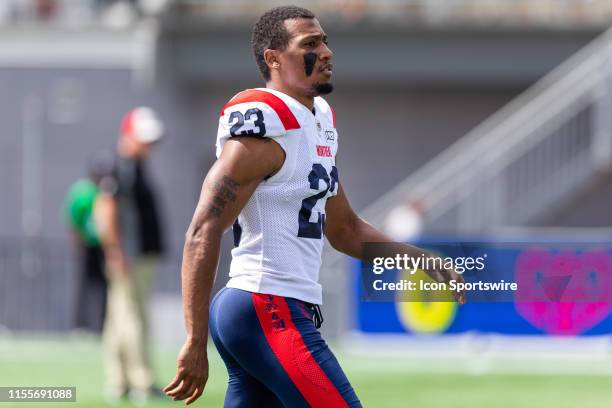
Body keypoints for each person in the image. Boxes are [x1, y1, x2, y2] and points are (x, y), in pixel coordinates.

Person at [164, 6, 465, 407]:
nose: (326, 52)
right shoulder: (264, 124)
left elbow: (345, 230)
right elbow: (202, 230)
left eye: (324, 41)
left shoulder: (317, 119)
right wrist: (194, 338)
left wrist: (421, 261)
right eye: (310, 44)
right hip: (265, 302)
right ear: (273, 58)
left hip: (272, 308)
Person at [94, 106, 165, 404]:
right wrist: (114, 250)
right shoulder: (120, 165)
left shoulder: (134, 164)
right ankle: (140, 380)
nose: (149, 145)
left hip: (134, 254)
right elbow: (105, 209)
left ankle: (120, 380)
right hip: (129, 254)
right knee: (133, 318)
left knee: (120, 318)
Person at [64, 163, 107, 334]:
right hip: (87, 245)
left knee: (104, 286)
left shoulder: (105, 191)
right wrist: (77, 242)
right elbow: (73, 219)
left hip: (102, 245)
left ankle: (101, 325)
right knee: (84, 285)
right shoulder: (83, 191)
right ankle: (81, 324)